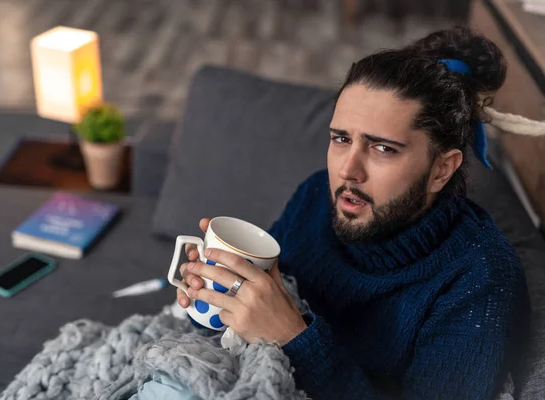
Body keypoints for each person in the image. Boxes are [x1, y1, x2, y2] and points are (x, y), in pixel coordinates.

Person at [176, 27, 530, 399]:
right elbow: (256, 313)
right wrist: (213, 295)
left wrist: (294, 338)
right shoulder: (316, 195)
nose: (348, 170)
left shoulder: (479, 280)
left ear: (442, 169)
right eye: (341, 139)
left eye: (382, 148)